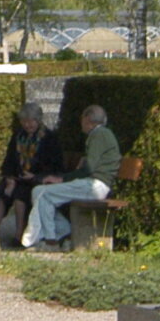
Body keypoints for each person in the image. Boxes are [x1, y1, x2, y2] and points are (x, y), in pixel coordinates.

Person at [23, 104, 121, 250]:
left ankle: (50, 241)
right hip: (91, 184)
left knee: (44, 193)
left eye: (82, 119)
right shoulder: (100, 135)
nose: (81, 123)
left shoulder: (99, 134)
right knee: (39, 192)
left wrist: (62, 179)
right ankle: (62, 232)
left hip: (95, 186)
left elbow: (89, 168)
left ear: (88, 120)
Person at [0, 102, 64, 242]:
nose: (28, 124)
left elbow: (55, 165)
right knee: (1, 191)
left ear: (38, 120)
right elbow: (9, 161)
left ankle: (19, 234)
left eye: (31, 120)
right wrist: (10, 178)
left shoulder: (49, 138)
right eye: (24, 121)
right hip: (17, 178)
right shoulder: (17, 137)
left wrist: (35, 176)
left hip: (37, 179)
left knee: (21, 195)